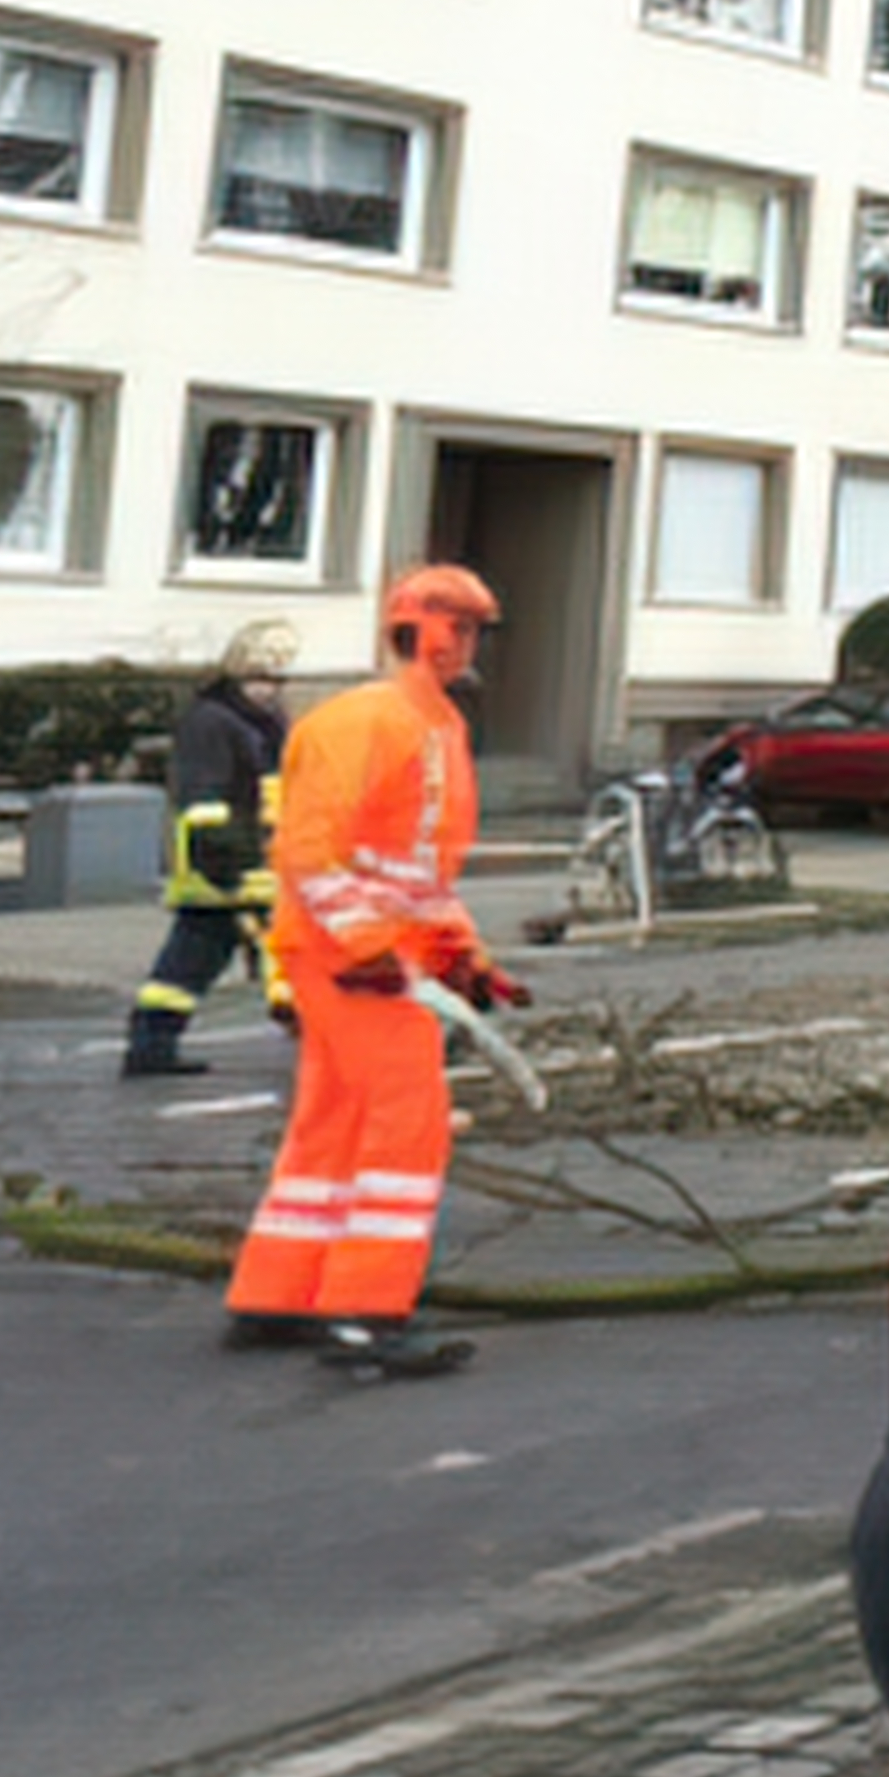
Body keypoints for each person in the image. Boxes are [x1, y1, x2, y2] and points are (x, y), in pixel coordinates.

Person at [222, 562, 530, 1380]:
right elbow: (310, 852)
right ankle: (366, 1311)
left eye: (475, 630)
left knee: (333, 1124)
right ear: (419, 626)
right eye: (458, 626)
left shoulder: (435, 726)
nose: (466, 644)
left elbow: (416, 874)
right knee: (408, 1121)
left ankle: (276, 1293)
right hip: (346, 957)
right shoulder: (369, 721)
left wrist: (464, 960)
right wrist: (364, 950)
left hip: (367, 954)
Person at [118, 623, 294, 1078]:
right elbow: (204, 801)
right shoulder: (213, 722)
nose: (270, 690)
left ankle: (151, 1046)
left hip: (254, 865)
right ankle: (150, 1045)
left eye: (277, 681)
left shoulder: (264, 722)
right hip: (222, 867)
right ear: (238, 675)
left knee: (195, 962)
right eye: (261, 679)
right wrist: (226, 861)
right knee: (204, 960)